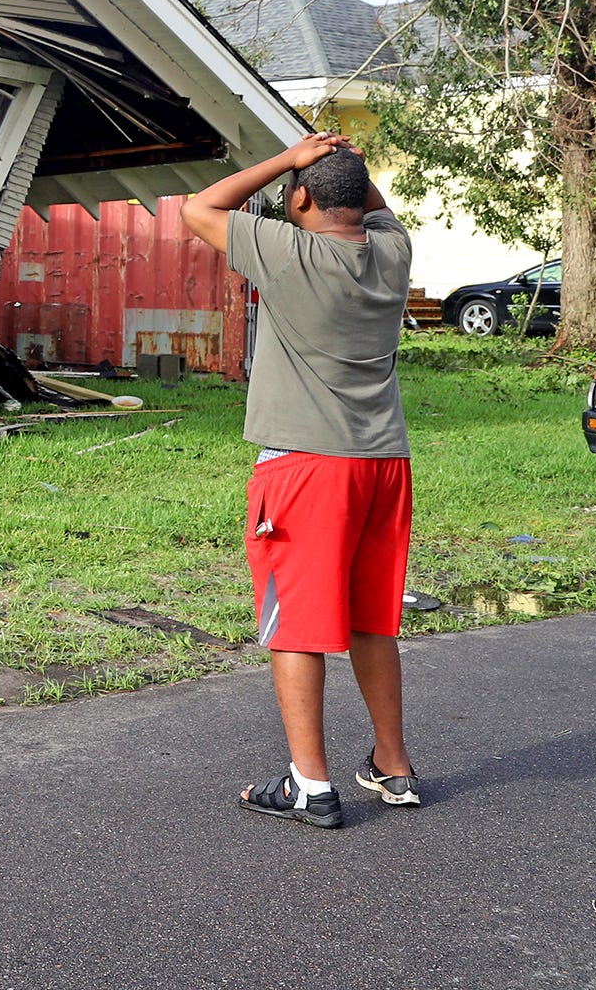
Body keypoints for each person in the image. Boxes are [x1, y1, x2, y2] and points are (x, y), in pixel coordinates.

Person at [182, 131, 421, 829]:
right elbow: (370, 207)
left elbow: (201, 207)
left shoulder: (288, 250)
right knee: (371, 619)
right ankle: (393, 767)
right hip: (384, 464)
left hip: (307, 468)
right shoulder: (391, 252)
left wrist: (292, 157)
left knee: (298, 628)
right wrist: (336, 171)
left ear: (302, 198)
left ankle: (310, 786)